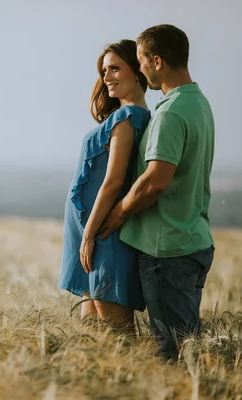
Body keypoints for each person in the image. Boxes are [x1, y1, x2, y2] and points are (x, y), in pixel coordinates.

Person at [100, 25, 215, 359]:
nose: (141, 69)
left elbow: (155, 181)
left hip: (168, 250)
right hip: (193, 239)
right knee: (186, 345)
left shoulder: (169, 112)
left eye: (141, 61)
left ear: (158, 61)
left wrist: (118, 212)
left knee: (173, 353)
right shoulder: (199, 102)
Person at [59, 39, 151, 334]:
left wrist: (87, 236)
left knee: (118, 332)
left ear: (137, 71)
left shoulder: (128, 118)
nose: (107, 77)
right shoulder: (121, 115)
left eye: (115, 68)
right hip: (92, 232)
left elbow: (112, 183)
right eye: (104, 71)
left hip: (102, 234)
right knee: (91, 334)